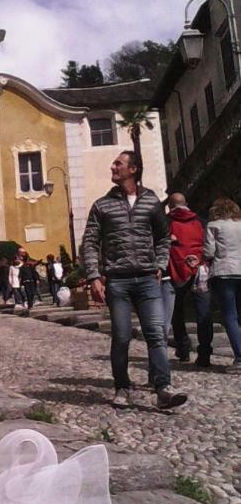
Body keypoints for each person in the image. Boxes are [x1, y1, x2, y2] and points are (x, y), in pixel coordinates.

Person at [81, 150, 187, 410]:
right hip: (117, 281)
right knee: (121, 336)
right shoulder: (102, 205)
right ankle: (122, 386)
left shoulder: (151, 202)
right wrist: (94, 276)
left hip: (148, 279)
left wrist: (160, 264)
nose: (113, 167)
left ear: (133, 169)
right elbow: (90, 243)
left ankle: (163, 388)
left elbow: (164, 237)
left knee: (156, 334)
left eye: (118, 163)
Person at [162, 193, 213, 367]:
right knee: (203, 312)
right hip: (200, 270)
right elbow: (208, 244)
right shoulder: (200, 221)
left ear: (170, 205)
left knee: (177, 311)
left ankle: (183, 349)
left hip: (176, 269)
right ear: (186, 204)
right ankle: (204, 353)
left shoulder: (166, 222)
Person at [203, 197, 241, 371]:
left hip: (224, 272)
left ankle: (240, 357)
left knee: (229, 315)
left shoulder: (213, 226)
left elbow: (209, 252)